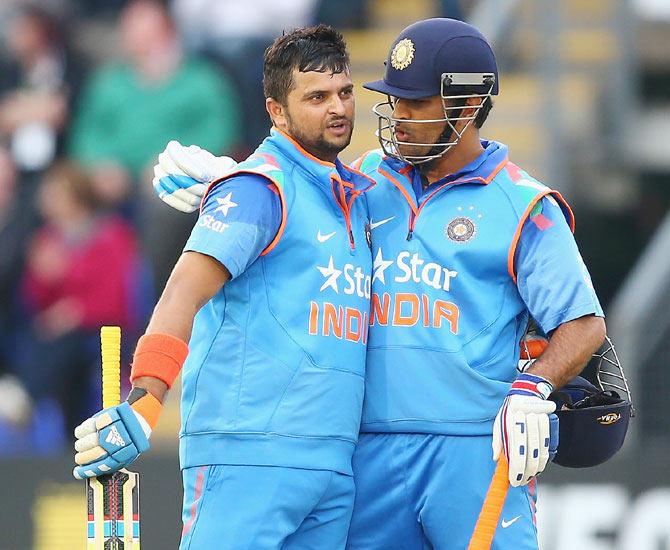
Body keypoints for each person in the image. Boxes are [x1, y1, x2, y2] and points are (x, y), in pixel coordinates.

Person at [152, 18, 606, 549]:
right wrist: (231, 178)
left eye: (416, 104)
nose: (400, 118)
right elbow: (297, 195)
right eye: (396, 101)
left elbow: (583, 324)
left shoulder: (526, 205)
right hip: (368, 452)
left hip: (474, 446)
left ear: (464, 106)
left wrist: (536, 386)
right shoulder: (368, 179)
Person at [73, 25, 374, 549]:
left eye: (345, 92)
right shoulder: (258, 190)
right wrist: (146, 401)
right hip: (248, 454)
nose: (338, 108)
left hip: (331, 462)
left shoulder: (352, 196)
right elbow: (181, 295)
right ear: (276, 110)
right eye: (317, 96)